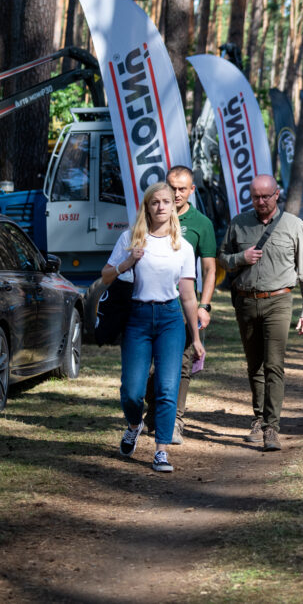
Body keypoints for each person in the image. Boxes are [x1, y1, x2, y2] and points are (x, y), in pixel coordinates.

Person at [103, 182, 205, 473]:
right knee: (132, 391)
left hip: (171, 319)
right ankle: (134, 424)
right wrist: (127, 262)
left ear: (174, 206)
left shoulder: (182, 247)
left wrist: (196, 337)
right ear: (146, 207)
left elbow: (187, 295)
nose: (160, 207)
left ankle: (161, 450)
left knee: (167, 387)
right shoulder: (130, 238)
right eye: (154, 202)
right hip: (137, 317)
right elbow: (106, 275)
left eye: (165, 202)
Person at [219, 175, 303, 451]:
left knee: (274, 364)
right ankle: (259, 418)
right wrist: (241, 258)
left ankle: (271, 427)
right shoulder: (239, 223)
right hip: (246, 302)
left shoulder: (294, 225)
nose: (261, 202)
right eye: (255, 197)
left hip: (278, 301)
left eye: (266, 196)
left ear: (277, 194)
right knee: (255, 365)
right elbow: (223, 259)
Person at [142, 165, 217, 444]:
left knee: (182, 365)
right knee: (153, 367)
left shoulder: (201, 224)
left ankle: (175, 421)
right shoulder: (151, 216)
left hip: (184, 305)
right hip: (150, 303)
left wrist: (204, 307)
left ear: (191, 190)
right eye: (171, 187)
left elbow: (210, 269)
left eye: (181, 189)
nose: (175, 194)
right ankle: (154, 413)